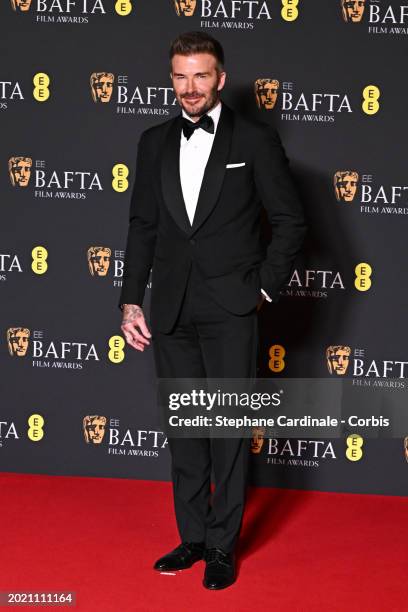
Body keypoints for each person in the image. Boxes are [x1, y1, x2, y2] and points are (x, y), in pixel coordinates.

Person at [119, 31, 307, 590]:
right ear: (170, 79)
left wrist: (263, 290)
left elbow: (292, 223)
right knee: (185, 432)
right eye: (180, 75)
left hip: (231, 309)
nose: (191, 87)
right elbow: (143, 227)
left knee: (226, 431)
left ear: (221, 78)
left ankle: (223, 547)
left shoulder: (255, 138)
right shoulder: (153, 141)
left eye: (201, 75)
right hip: (171, 309)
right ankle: (193, 538)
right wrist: (131, 299)